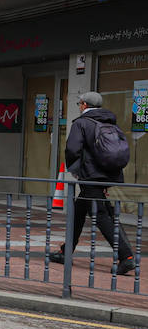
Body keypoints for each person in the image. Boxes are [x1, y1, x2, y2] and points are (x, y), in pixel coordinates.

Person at [49, 92, 136, 275]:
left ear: (84, 104)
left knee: (101, 216)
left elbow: (72, 149)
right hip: (107, 175)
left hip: (90, 176)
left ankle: (126, 256)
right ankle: (66, 252)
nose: (79, 106)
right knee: (79, 212)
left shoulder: (81, 123)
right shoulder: (109, 122)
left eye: (79, 103)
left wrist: (75, 169)